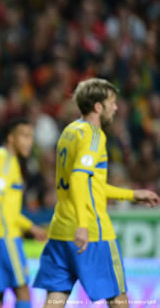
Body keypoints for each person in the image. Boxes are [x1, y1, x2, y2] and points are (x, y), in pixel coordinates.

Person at [33, 78, 159, 308]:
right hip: (91, 232)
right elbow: (79, 178)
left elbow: (90, 185)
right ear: (98, 107)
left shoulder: (69, 132)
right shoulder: (94, 136)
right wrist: (83, 224)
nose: (116, 108)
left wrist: (132, 195)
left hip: (61, 230)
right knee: (118, 298)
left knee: (55, 299)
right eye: (112, 102)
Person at [0, 118, 47, 308]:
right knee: (22, 290)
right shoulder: (5, 160)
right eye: (24, 136)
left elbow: (8, 210)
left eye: (31, 137)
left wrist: (31, 227)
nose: (29, 142)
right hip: (1, 237)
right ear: (10, 138)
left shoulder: (1, 158)